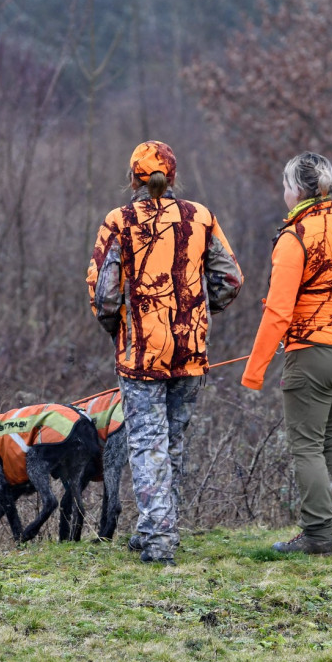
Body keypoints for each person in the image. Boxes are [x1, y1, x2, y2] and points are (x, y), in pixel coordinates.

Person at [87, 141, 243, 565]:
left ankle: (158, 537)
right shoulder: (200, 217)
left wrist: (118, 329)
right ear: (173, 177)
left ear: (132, 178)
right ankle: (157, 526)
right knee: (171, 443)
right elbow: (230, 280)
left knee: (146, 443)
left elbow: (104, 295)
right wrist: (198, 312)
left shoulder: (119, 221)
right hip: (190, 351)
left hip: (141, 355)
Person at [240, 152, 332, 555]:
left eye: (286, 185)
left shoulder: (295, 237)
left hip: (314, 356)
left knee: (305, 444)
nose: (284, 193)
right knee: (329, 437)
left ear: (299, 192)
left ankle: (317, 536)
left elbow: (278, 311)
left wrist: (254, 372)